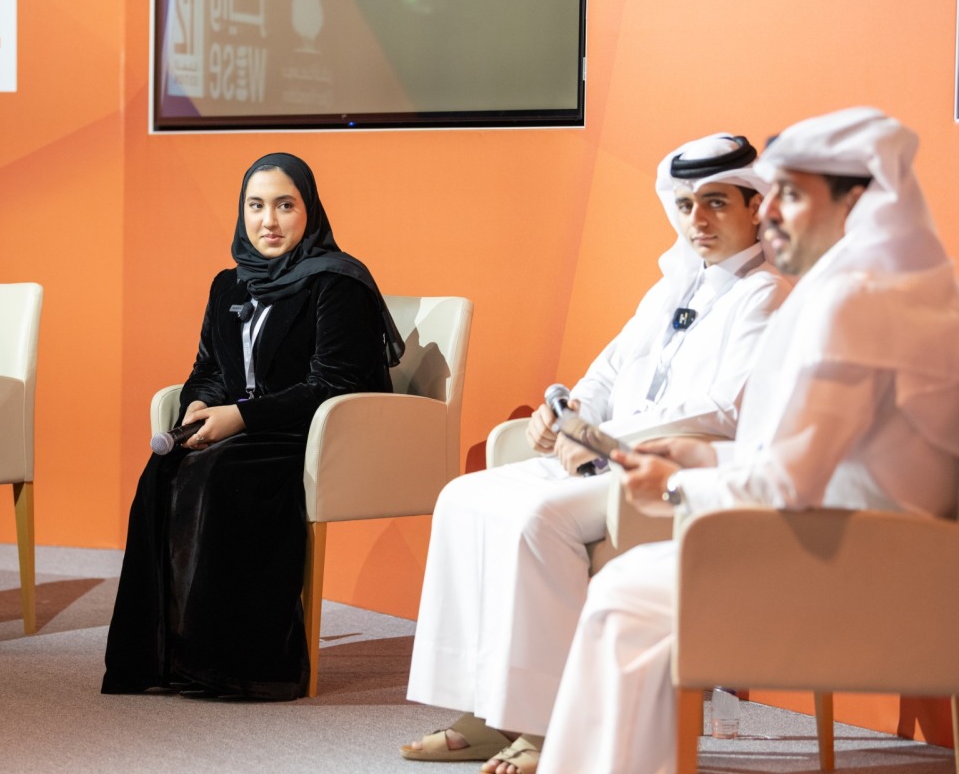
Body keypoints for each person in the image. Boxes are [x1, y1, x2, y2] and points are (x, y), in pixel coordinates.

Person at [536, 107, 959, 774]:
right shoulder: (900, 288)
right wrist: (702, 453)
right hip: (899, 563)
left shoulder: (850, 304)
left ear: (854, 203)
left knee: (622, 595)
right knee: (629, 587)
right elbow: (827, 461)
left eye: (790, 195)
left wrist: (677, 484)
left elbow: (792, 483)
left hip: (851, 572)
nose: (769, 214)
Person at [403, 135, 791, 774]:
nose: (697, 219)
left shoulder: (765, 292)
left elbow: (724, 409)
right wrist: (566, 411)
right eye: (687, 204)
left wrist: (600, 438)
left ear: (756, 207)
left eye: (717, 203)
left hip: (678, 472)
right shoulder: (670, 288)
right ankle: (486, 710)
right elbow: (606, 373)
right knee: (463, 496)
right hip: (603, 457)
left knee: (540, 520)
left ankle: (550, 726)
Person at [102, 152, 402, 701]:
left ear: (309, 210)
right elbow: (211, 369)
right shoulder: (230, 284)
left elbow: (334, 383)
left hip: (313, 435)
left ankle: (244, 665)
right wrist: (199, 405)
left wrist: (241, 416)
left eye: (285, 206)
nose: (269, 221)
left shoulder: (337, 282)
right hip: (250, 429)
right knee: (163, 471)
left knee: (223, 475)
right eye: (256, 206)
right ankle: (169, 660)